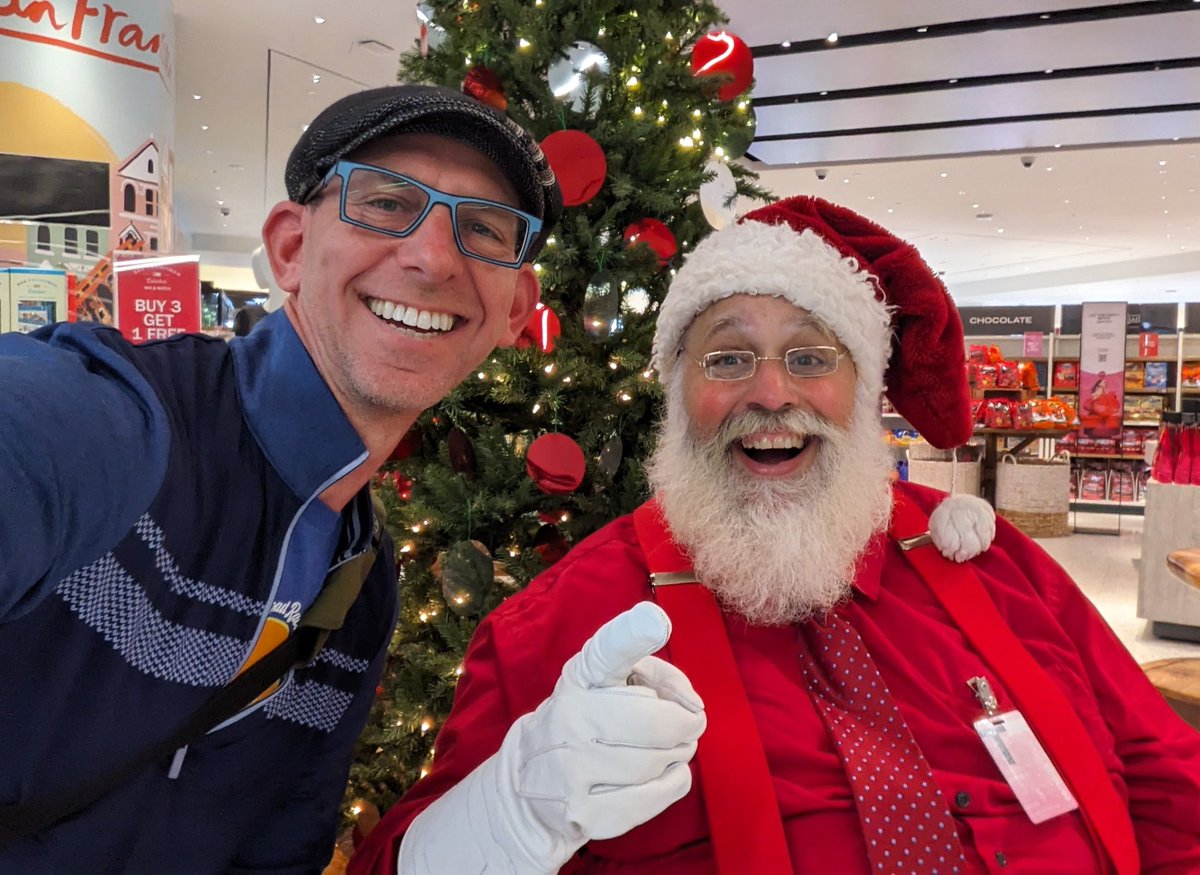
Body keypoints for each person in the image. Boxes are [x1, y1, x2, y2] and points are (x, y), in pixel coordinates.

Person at [350, 196, 1200, 874]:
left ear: (865, 388)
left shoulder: (993, 565)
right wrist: (510, 812)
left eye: (810, 357)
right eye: (726, 358)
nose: (768, 393)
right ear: (677, 393)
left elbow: (1169, 785)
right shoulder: (569, 624)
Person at [0, 83, 566, 873]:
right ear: (291, 249)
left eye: (484, 229)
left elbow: (279, 850)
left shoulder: (361, 590)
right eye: (385, 202)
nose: (434, 257)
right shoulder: (123, 424)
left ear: (516, 312)